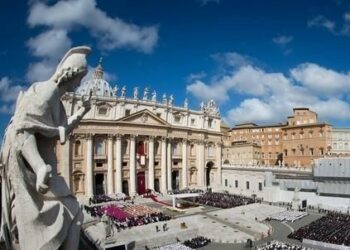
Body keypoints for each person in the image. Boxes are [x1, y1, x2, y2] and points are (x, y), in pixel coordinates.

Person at [0, 46, 91, 250]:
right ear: (71, 74)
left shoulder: (55, 100)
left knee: (74, 212)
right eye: (80, 78)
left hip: (40, 168)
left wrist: (83, 111)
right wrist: (39, 166)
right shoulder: (47, 91)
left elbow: (61, 130)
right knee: (73, 212)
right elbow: (23, 131)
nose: (80, 84)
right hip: (34, 171)